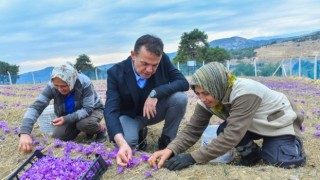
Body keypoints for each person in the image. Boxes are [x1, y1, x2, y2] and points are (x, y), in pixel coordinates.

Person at [149, 62, 306, 170]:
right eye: (198, 94)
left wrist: (191, 158)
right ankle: (253, 156)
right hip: (251, 123)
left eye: (206, 93)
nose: (202, 98)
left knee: (280, 162)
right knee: (222, 130)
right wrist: (170, 150)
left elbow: (232, 135)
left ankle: (293, 142)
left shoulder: (245, 92)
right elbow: (192, 130)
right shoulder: (208, 100)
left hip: (276, 122)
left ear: (217, 85)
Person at [104, 34, 189, 167]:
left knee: (180, 98)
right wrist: (121, 143)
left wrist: (155, 93)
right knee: (128, 144)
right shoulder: (116, 73)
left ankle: (167, 142)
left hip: (153, 112)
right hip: (130, 116)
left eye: (154, 65)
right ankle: (139, 134)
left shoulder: (163, 60)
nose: (149, 70)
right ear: (133, 55)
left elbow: (183, 83)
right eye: (144, 63)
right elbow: (111, 110)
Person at [19, 62, 106, 154]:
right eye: (56, 86)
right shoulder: (52, 86)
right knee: (59, 136)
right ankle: (85, 129)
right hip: (70, 114)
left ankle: (100, 130)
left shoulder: (84, 82)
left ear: (71, 80)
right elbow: (36, 107)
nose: (60, 89)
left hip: (93, 110)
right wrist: (25, 132)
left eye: (64, 85)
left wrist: (67, 119)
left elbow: (88, 109)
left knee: (83, 124)